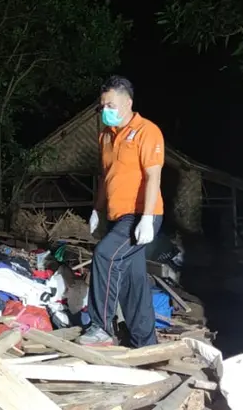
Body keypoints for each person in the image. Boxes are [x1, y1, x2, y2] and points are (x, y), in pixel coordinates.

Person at [76, 75, 165, 348]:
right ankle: (145, 342)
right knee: (132, 281)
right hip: (117, 217)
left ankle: (101, 327)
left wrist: (148, 218)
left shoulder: (147, 131)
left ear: (128, 103)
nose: (106, 111)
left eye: (111, 105)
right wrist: (97, 210)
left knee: (105, 256)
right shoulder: (106, 135)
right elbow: (106, 177)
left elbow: (153, 176)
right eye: (103, 106)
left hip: (140, 215)